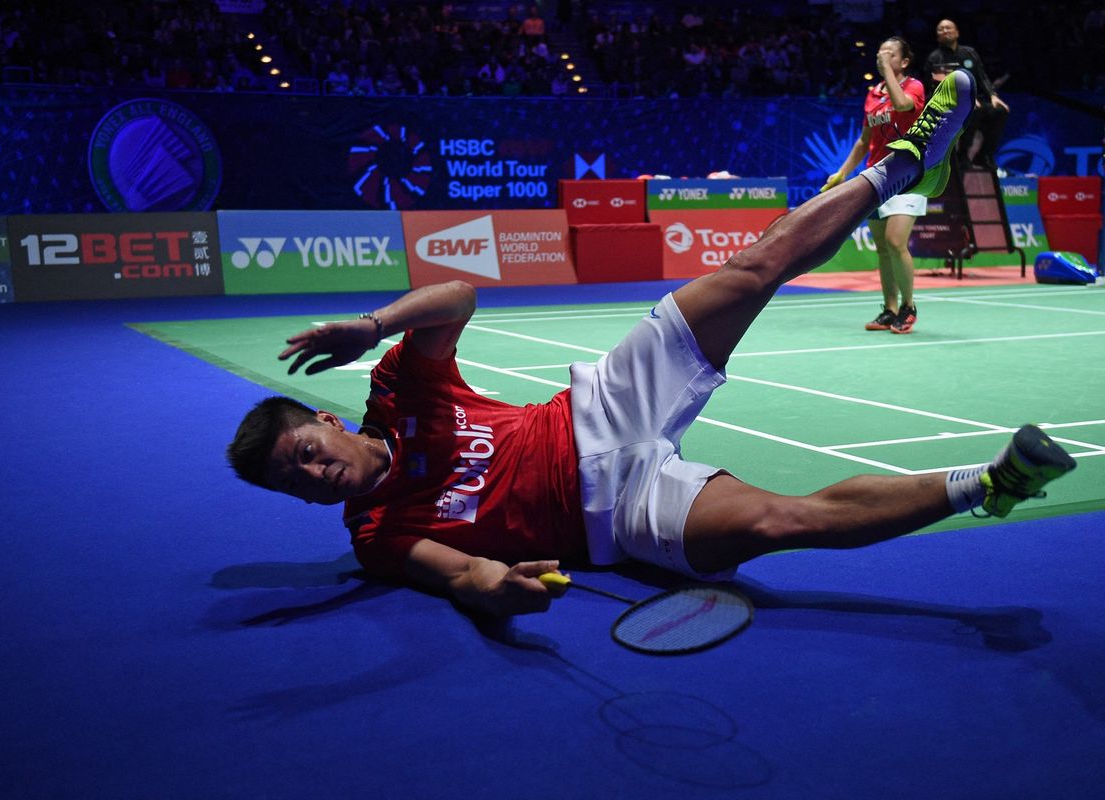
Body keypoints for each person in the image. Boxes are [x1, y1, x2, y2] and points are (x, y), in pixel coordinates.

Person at [227, 71, 1077, 618]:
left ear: (322, 417)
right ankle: (993, 484)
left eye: (302, 450)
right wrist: (501, 588)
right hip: (615, 517)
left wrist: (372, 326)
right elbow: (455, 574)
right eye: (291, 482)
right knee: (785, 521)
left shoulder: (392, 390)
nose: (310, 474)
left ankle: (899, 164)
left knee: (750, 269)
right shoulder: (376, 531)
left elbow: (459, 294)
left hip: (597, 407)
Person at [823, 36, 927, 334]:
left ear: (904, 62)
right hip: (876, 176)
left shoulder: (913, 86)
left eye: (890, 53)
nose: (882, 56)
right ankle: (889, 309)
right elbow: (864, 140)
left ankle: (908, 306)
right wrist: (842, 173)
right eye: (880, 52)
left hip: (907, 173)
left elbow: (903, 105)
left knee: (896, 241)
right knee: (882, 248)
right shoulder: (872, 95)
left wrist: (889, 74)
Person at [926, 19, 1010, 169]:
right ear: (937, 36)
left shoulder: (969, 52)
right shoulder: (935, 58)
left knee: (1000, 111)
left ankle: (984, 155)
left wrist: (993, 95)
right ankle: (962, 155)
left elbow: (981, 76)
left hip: (974, 99)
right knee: (972, 110)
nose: (945, 31)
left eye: (948, 28)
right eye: (941, 29)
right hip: (946, 102)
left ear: (957, 32)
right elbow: (940, 86)